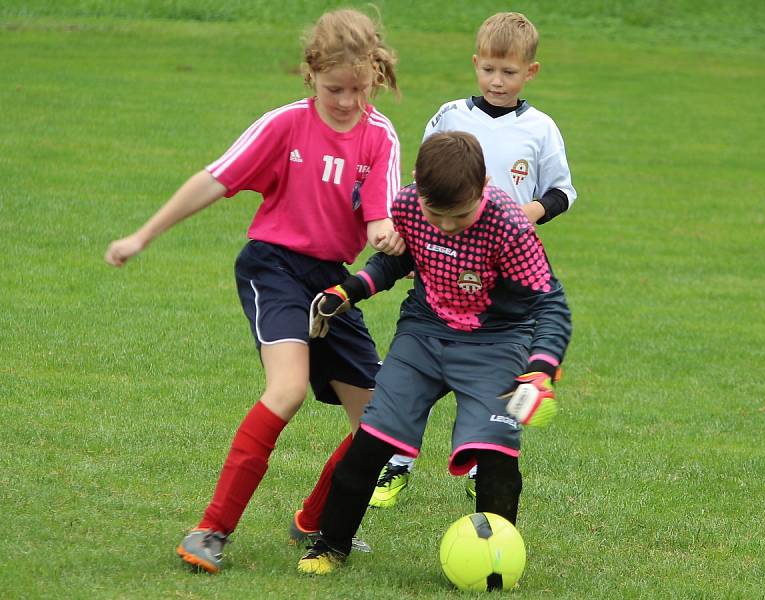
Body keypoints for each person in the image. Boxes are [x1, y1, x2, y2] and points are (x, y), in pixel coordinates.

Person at [104, 9, 404, 574]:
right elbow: (213, 181)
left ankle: (315, 520)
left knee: (384, 418)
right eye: (334, 88)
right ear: (311, 73)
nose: (346, 101)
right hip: (275, 269)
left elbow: (377, 214)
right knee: (286, 390)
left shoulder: (379, 134)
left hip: (333, 283)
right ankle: (211, 529)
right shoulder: (284, 126)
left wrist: (382, 233)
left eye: (359, 89)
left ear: (374, 76)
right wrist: (141, 236)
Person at [296, 131, 572, 575]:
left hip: (496, 341)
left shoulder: (510, 225)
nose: (445, 225)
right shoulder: (406, 204)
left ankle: (495, 563)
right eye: (435, 214)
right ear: (416, 187)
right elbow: (396, 261)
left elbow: (550, 304)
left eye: (459, 215)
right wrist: (351, 289)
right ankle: (330, 545)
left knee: (495, 451)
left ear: (483, 186)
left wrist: (540, 370)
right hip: (423, 334)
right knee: (372, 439)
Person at [370, 11, 577, 508]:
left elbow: (563, 191)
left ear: (531, 72)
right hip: (442, 257)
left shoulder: (541, 129)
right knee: (413, 366)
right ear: (475, 65)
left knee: (491, 368)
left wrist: (527, 212)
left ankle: (485, 464)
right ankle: (396, 464)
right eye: (488, 69)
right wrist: (404, 229)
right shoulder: (449, 116)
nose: (497, 81)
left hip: (504, 267)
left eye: (509, 72)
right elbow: (425, 182)